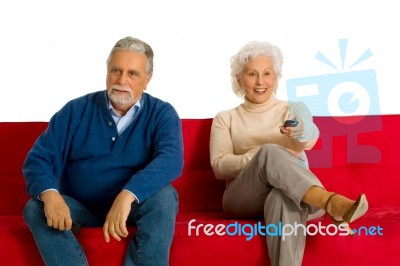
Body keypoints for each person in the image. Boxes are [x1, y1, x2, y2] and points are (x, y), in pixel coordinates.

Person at [23, 36, 183, 266]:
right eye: (115, 70)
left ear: (147, 79)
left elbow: (171, 160)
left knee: (165, 196)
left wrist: (128, 194)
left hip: (133, 207)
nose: (121, 80)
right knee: (35, 207)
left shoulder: (162, 113)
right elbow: (38, 160)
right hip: (81, 207)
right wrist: (51, 195)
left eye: (133, 73)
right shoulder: (76, 110)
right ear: (107, 71)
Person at [209, 40, 368, 266]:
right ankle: (331, 202)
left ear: (276, 78)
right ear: (239, 79)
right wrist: (260, 156)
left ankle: (327, 203)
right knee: (268, 152)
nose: (260, 81)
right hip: (243, 198)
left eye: (267, 73)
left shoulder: (293, 108)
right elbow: (219, 166)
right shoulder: (225, 118)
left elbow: (310, 137)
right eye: (252, 74)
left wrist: (300, 130)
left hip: (297, 195)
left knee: (282, 196)